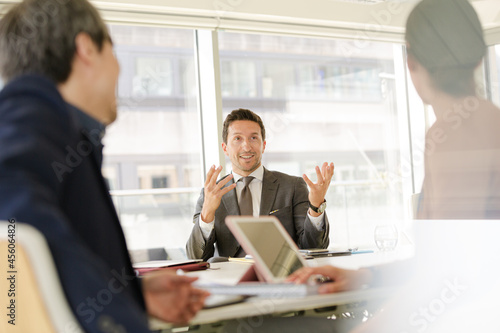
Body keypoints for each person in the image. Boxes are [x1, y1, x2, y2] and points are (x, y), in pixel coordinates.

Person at [288, 0, 500, 331]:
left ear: (410, 61)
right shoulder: (484, 123)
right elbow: (443, 262)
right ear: (479, 57)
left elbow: (449, 278)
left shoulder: (454, 135)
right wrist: (365, 276)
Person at [0, 0, 208, 332]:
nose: (118, 69)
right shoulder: (32, 117)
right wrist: (119, 320)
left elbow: (51, 264)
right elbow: (12, 218)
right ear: (86, 49)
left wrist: (129, 294)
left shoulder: (54, 130)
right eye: (112, 51)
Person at [186, 108, 334, 260]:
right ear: (225, 148)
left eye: (253, 138)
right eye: (237, 138)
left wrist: (316, 207)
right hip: (232, 280)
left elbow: (315, 248)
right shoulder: (211, 194)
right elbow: (196, 258)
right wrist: (207, 215)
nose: (247, 147)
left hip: (281, 277)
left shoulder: (292, 186)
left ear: (263, 145)